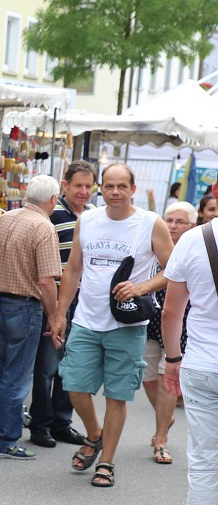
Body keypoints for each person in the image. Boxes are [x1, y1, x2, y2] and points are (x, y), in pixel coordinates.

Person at [51, 163, 174, 488]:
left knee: (117, 396)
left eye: (122, 186)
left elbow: (174, 269)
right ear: (100, 188)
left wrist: (142, 287)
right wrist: (60, 313)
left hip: (128, 324)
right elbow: (74, 269)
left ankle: (106, 461)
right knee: (74, 386)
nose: (115, 192)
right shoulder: (87, 220)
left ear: (132, 189)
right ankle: (94, 434)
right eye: (109, 186)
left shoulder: (150, 224)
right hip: (87, 321)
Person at [0, 175, 61, 460]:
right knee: (16, 377)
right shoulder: (44, 227)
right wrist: (53, 316)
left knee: (2, 371)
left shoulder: (7, 217)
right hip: (24, 306)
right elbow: (46, 280)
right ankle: (4, 440)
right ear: (53, 199)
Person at [161, 212, 218, 505]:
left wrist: (171, 359)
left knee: (205, 466)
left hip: (202, 365)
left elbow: (171, 311)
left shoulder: (194, 240)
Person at [28, 162, 95, 448]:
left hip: (85, 302)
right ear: (64, 185)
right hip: (55, 299)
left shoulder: (95, 216)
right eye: (78, 185)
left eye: (88, 186)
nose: (83, 191)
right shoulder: (51, 215)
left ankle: (61, 422)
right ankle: (40, 424)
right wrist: (52, 308)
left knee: (72, 365)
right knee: (46, 366)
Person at [143, 201, 195, 464]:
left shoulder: (196, 248)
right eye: (170, 220)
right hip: (151, 318)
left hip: (182, 321)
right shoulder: (156, 244)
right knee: (146, 376)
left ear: (191, 226)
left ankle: (161, 438)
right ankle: (166, 417)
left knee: (167, 378)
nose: (173, 226)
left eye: (179, 221)